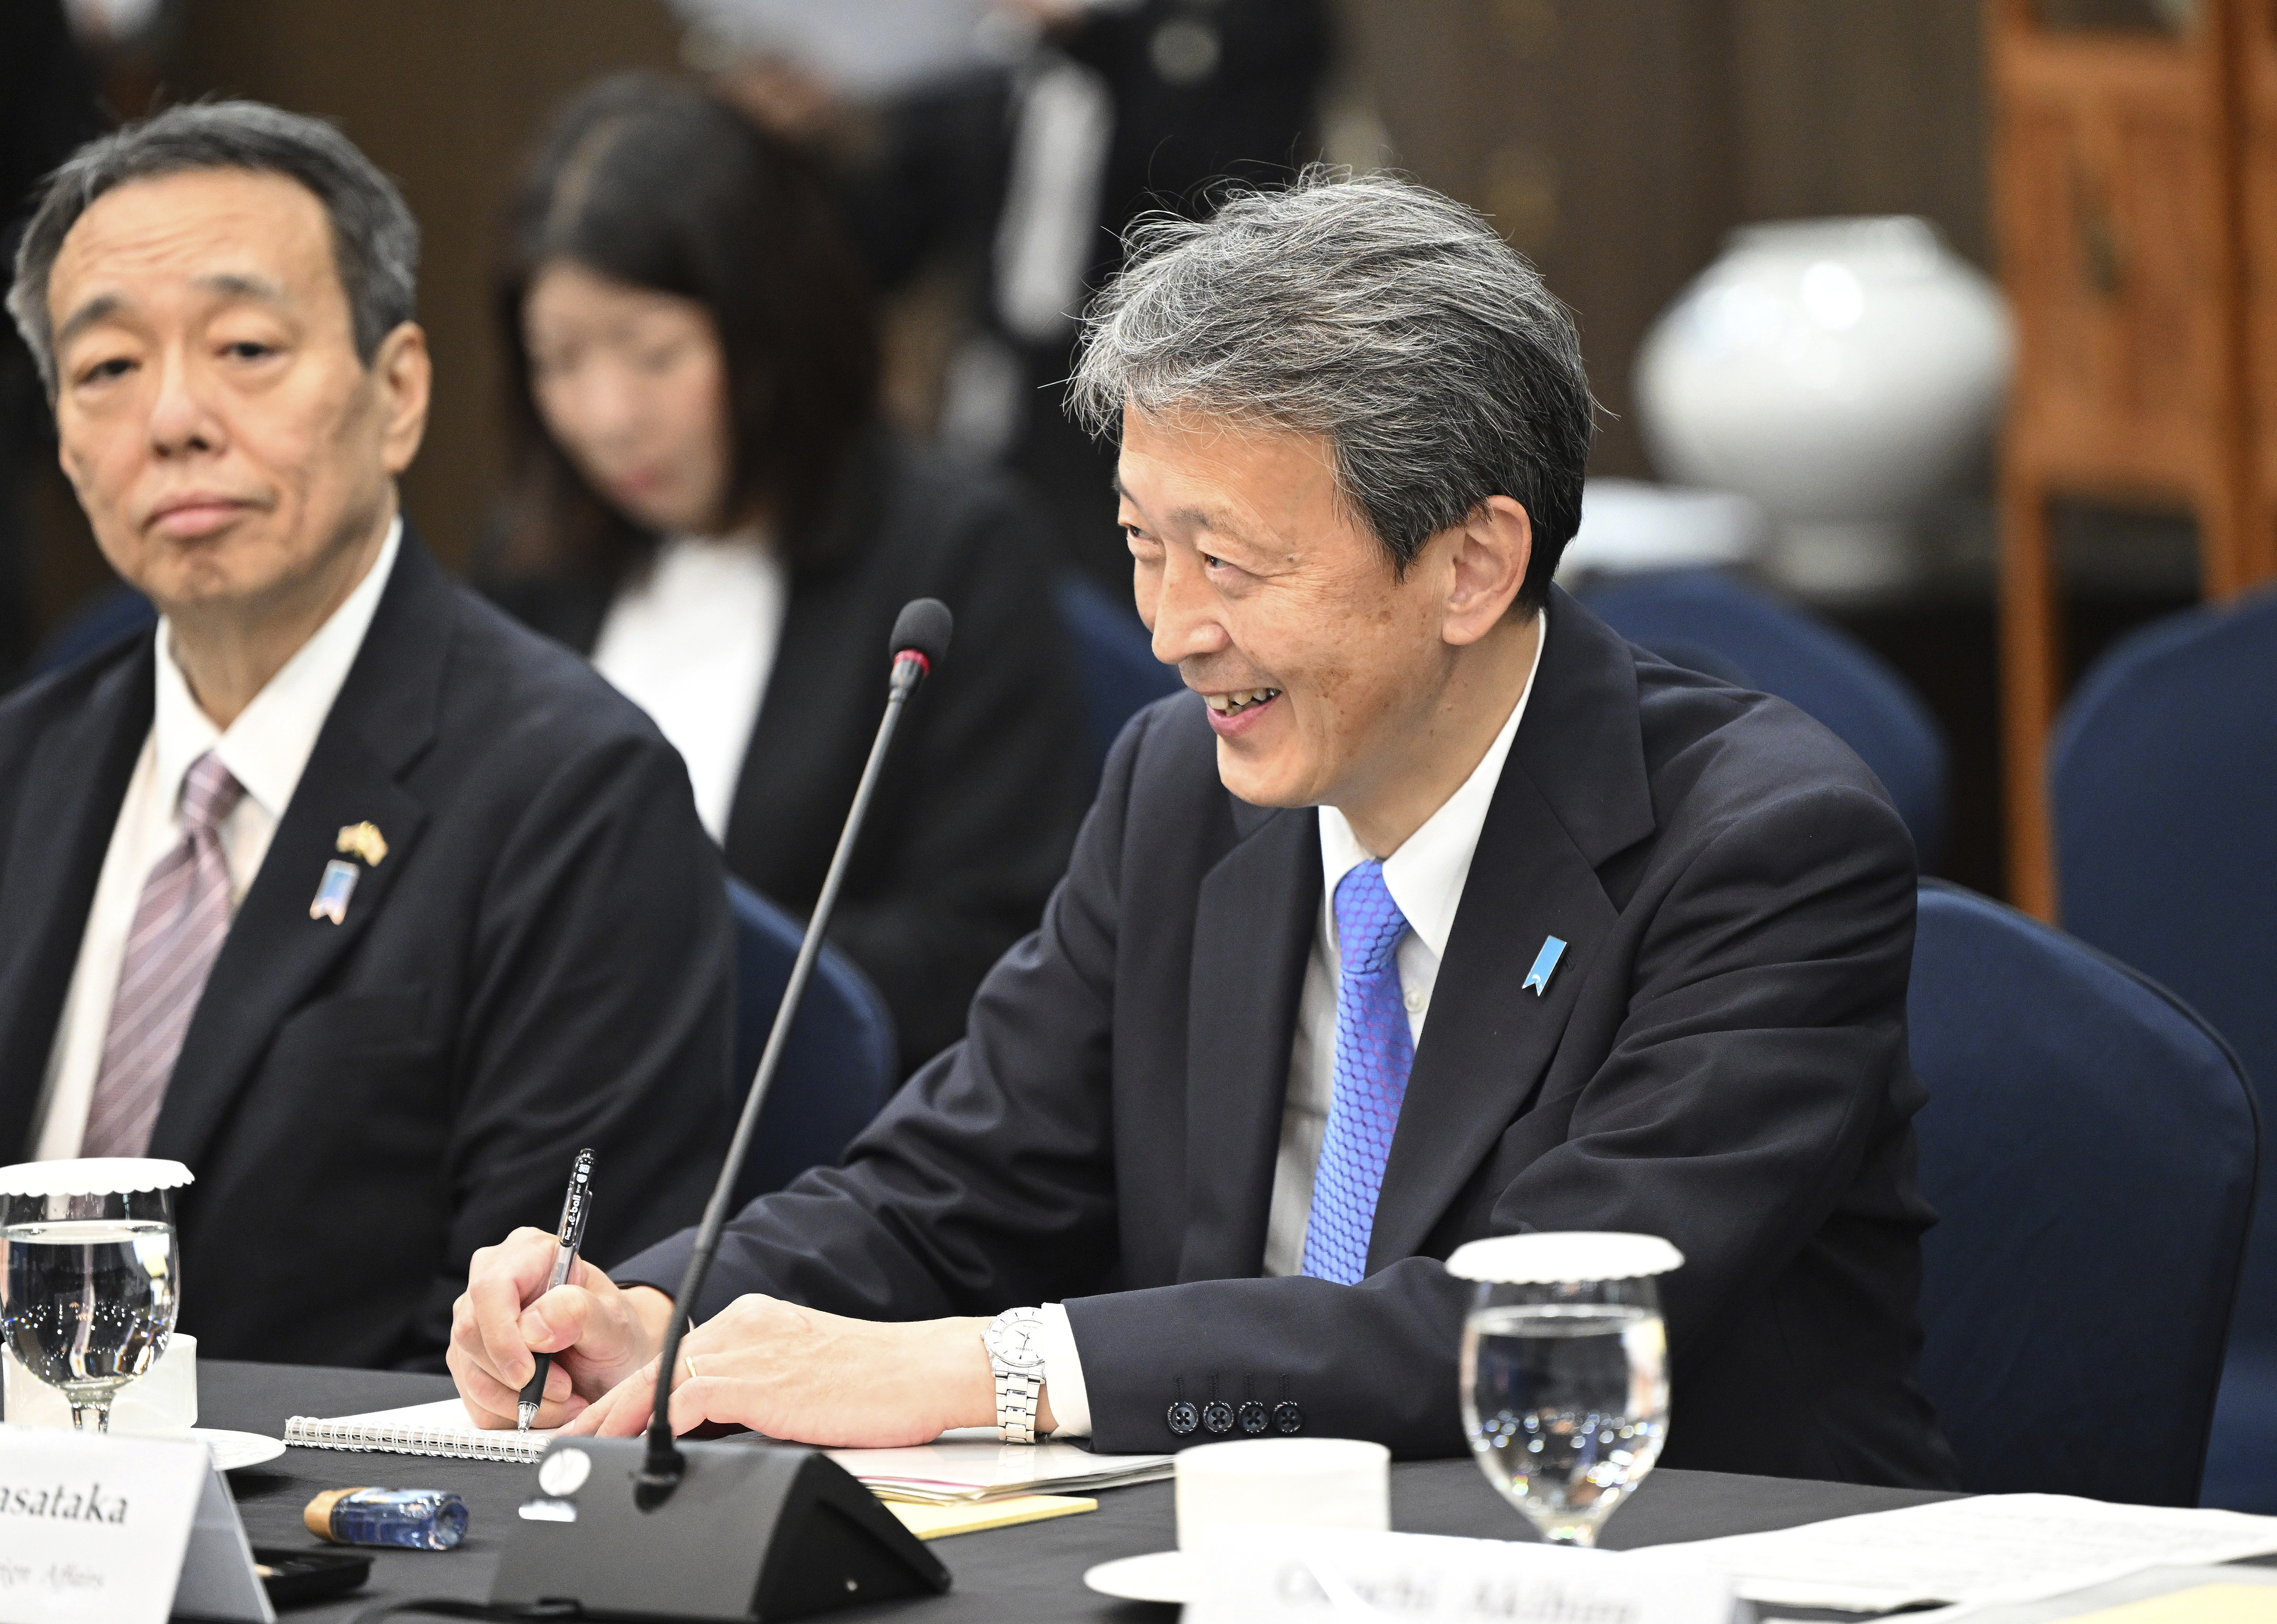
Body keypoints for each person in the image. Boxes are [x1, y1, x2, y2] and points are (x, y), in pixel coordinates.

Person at [449, 172, 1961, 1487]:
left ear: (1472, 565)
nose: (1169, 630)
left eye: (1228, 562)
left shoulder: (1764, 849)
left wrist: (997, 1376)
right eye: (1139, 548)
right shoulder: (1179, 790)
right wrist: (659, 1316)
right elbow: (950, 1189)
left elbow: (1528, 1332)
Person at [0, 101, 730, 1369]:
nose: (173, 419)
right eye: (109, 368)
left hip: (326, 1545)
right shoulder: (24, 767)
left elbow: (526, 1374)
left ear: (397, 394)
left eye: (242, 348)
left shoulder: (574, 795)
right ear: (61, 433)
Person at [477, 74, 1084, 1073]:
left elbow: (992, 944)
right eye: (558, 359)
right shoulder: (534, 553)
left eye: (653, 353)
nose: (606, 414)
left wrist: (663, 967)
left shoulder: (951, 553)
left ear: (771, 328)